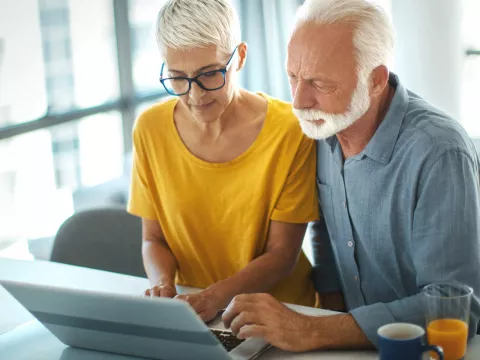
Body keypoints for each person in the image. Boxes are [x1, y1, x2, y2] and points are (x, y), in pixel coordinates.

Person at [223, 0, 480, 351]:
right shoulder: (323, 127)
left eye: (319, 83)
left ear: (375, 81)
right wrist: (329, 317)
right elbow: (326, 232)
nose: (298, 101)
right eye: (293, 76)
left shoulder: (439, 152)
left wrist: (312, 331)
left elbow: (454, 306)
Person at [127, 0, 319, 323]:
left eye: (210, 74)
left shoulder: (290, 131)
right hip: (197, 315)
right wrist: (163, 285)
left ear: (239, 57)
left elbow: (282, 255)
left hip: (281, 319)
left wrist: (215, 297)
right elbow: (153, 239)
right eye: (178, 78)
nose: (196, 95)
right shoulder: (149, 130)